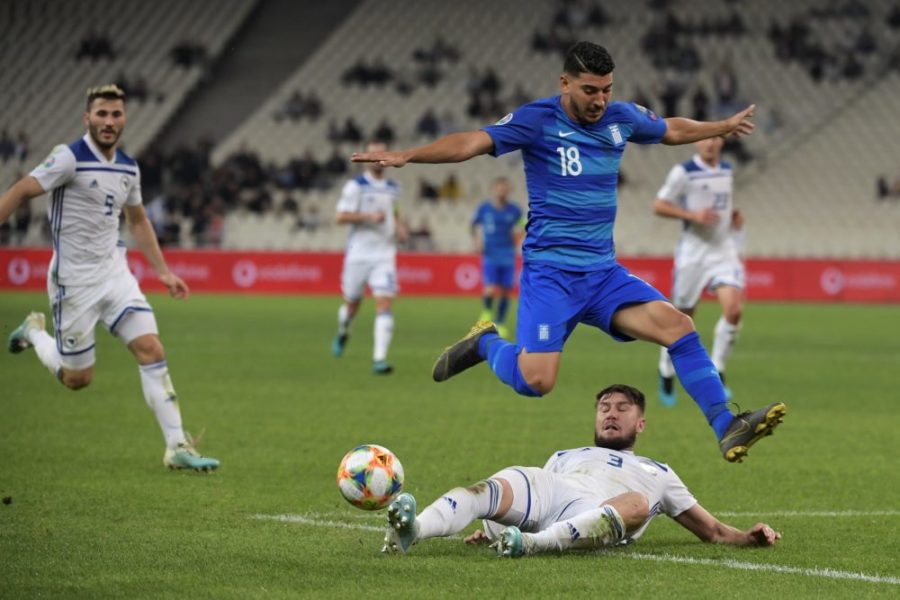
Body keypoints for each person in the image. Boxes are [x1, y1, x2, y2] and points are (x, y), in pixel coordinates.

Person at [352, 42, 785, 462]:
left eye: (606, 89)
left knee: (678, 326)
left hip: (602, 274)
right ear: (565, 82)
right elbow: (471, 143)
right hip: (551, 276)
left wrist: (721, 126)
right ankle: (485, 344)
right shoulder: (536, 119)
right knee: (537, 381)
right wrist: (411, 155)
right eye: (590, 90)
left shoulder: (621, 118)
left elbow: (671, 129)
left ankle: (726, 424)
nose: (600, 100)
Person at [0, 84, 219, 472]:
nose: (108, 121)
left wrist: (164, 272)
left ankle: (177, 446)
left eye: (115, 114)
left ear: (124, 119)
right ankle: (34, 332)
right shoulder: (68, 158)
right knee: (77, 379)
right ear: (88, 118)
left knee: (152, 349)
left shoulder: (128, 167)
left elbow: (137, 220)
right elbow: (20, 190)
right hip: (74, 282)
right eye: (101, 113)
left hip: (115, 274)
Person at [382, 384, 782, 556]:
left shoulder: (658, 472)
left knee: (637, 503)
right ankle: (414, 529)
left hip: (599, 511)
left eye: (622, 408)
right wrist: (489, 528)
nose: (611, 414)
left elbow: (710, 530)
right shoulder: (564, 455)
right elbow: (530, 504)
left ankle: (534, 546)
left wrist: (748, 538)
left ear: (640, 424)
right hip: (554, 487)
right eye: (604, 407)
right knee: (488, 490)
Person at [653, 136, 745, 407]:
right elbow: (658, 205)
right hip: (693, 253)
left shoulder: (726, 170)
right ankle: (665, 369)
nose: (710, 144)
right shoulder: (684, 173)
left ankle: (717, 367)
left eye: (716, 138)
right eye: (705, 139)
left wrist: (733, 217)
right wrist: (693, 216)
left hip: (723, 250)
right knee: (681, 319)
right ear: (696, 143)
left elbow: (721, 205)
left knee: (734, 310)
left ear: (722, 143)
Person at [332, 140, 408, 374]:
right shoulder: (356, 186)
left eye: (382, 153)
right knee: (352, 305)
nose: (378, 158)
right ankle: (344, 331)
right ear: (367, 157)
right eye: (374, 154)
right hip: (358, 253)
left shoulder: (394, 188)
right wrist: (367, 216)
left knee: (384, 302)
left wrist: (400, 226)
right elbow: (340, 217)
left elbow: (393, 211)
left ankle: (379, 359)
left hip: (384, 254)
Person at [470, 176, 524, 338]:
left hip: (507, 254)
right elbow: (473, 225)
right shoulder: (484, 208)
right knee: (490, 288)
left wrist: (517, 238)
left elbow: (524, 225)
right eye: (499, 187)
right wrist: (477, 241)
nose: (502, 190)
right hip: (490, 253)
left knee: (507, 291)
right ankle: (487, 312)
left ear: (509, 190)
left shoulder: (514, 210)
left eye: (505, 188)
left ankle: (499, 323)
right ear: (494, 189)